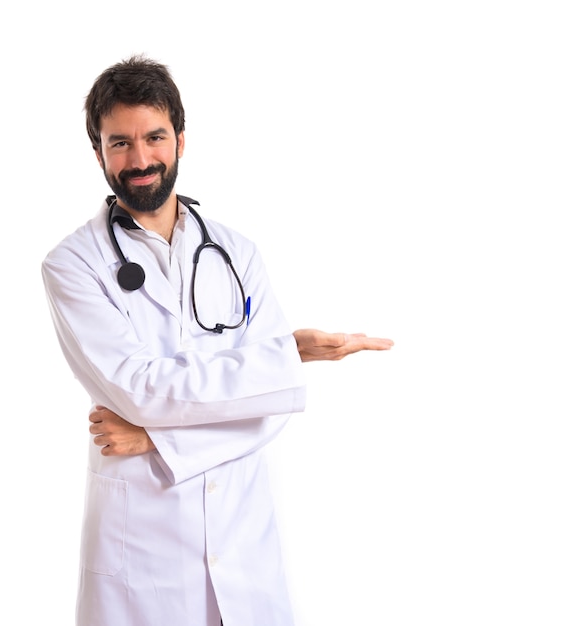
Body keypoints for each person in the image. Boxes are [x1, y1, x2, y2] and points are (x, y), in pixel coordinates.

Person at [41, 55, 393, 626]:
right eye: (120, 143)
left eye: (154, 137)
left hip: (245, 549)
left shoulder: (237, 253)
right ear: (99, 152)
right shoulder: (73, 265)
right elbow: (143, 391)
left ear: (180, 139)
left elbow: (272, 406)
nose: (140, 159)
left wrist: (155, 440)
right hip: (143, 564)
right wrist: (279, 363)